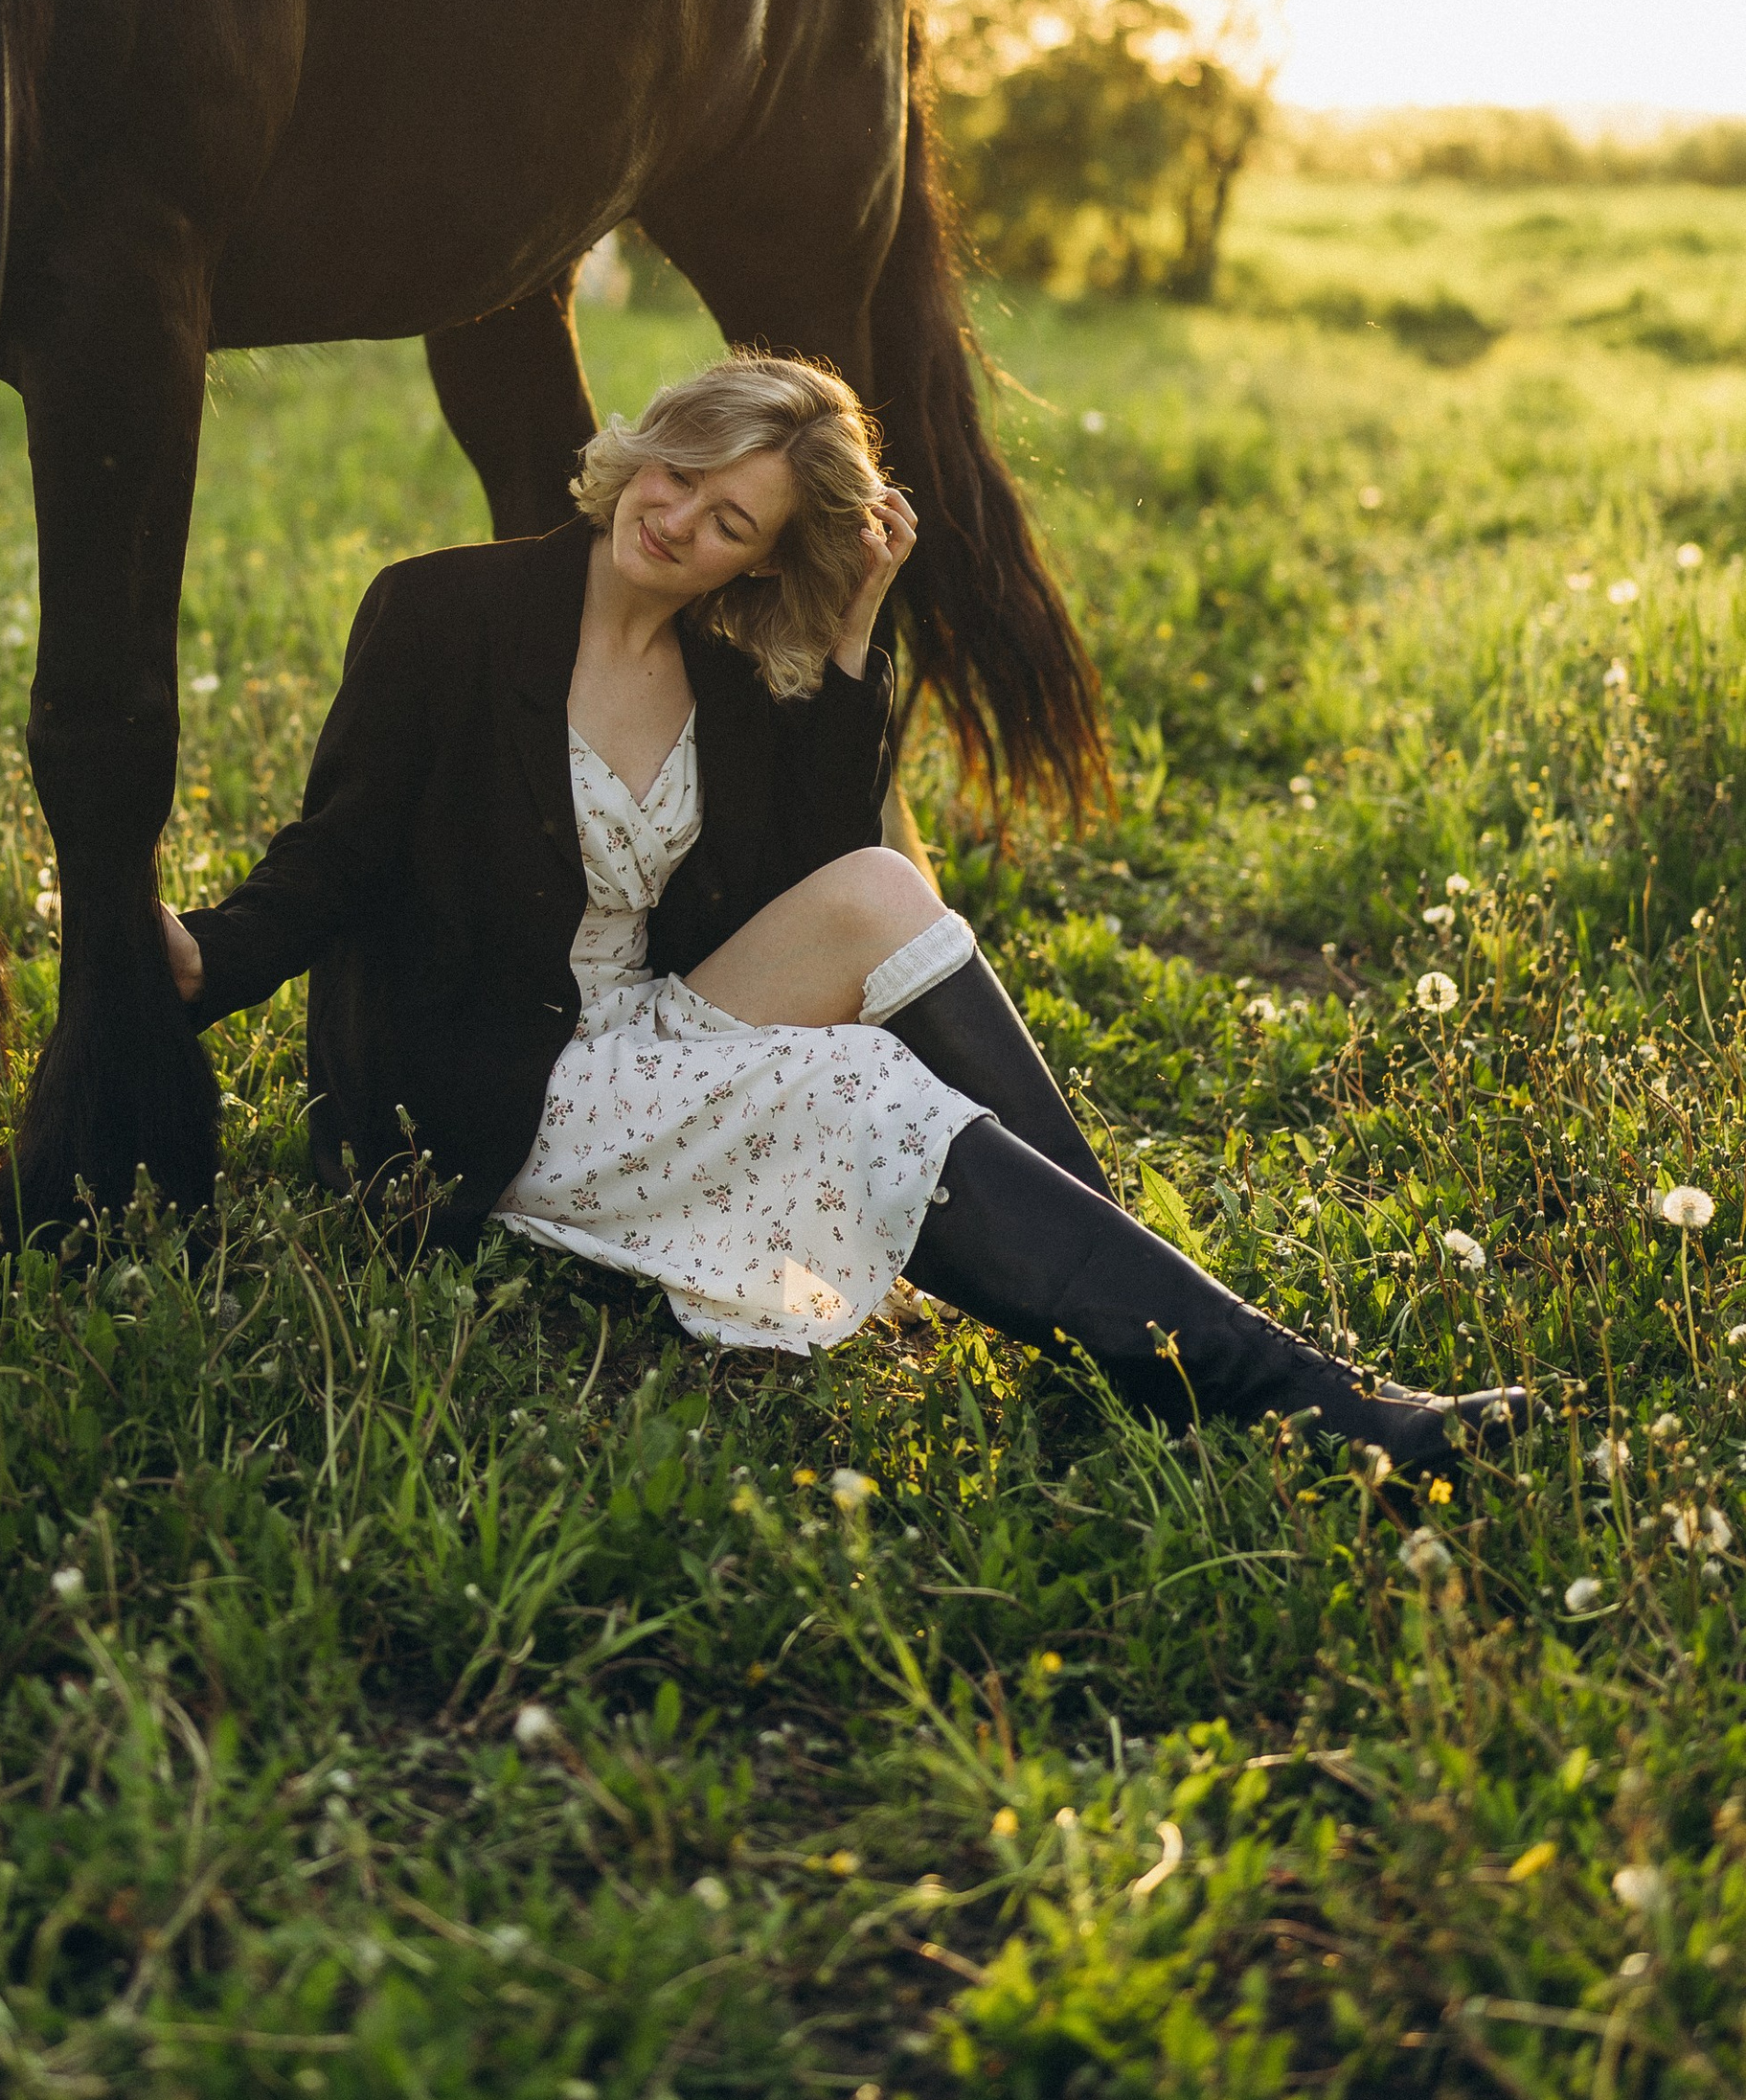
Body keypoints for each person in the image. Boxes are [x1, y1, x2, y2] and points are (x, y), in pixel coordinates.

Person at [163, 354, 1522, 1472]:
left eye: (731, 522)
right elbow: (331, 857)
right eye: (681, 470)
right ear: (644, 448)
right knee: (858, 1084)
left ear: (757, 566)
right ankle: (1315, 1411)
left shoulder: (721, 663)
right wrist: (201, 955)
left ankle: (1133, 1327)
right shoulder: (442, 609)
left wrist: (859, 623)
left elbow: (807, 881)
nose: (680, 516)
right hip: (486, 1083)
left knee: (881, 885)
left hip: (639, 1027)